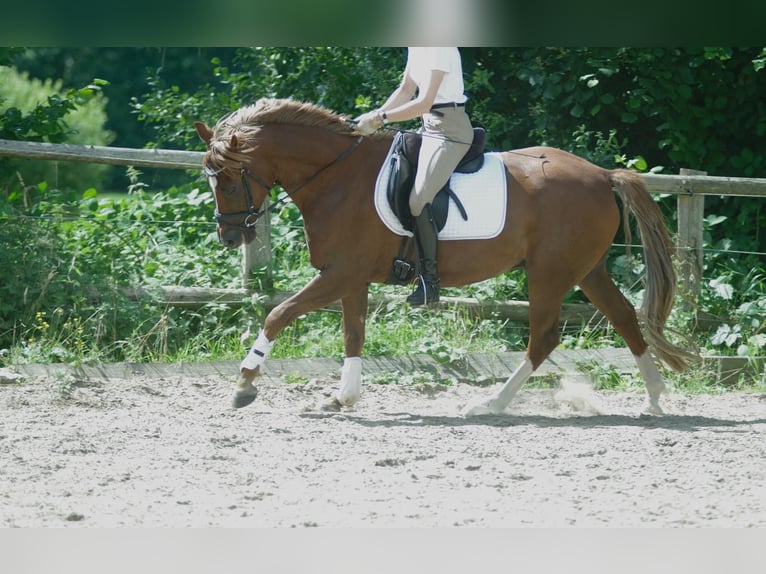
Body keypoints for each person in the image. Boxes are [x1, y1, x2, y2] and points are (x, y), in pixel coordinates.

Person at [354, 47, 473, 306]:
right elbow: (407, 89)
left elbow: (424, 102)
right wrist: (373, 116)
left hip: (451, 133)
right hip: (427, 127)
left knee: (418, 200)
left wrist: (380, 118)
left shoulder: (442, 47)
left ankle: (430, 282)